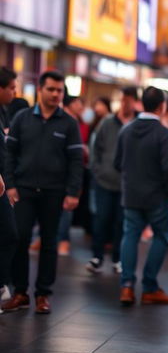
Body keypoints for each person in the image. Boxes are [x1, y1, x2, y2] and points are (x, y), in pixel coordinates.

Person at [1, 71, 83, 315]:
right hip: (23, 190)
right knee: (21, 238)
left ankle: (43, 294)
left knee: (49, 243)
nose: (57, 94)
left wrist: (72, 192)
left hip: (54, 191)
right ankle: (21, 293)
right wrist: (11, 185)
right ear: (41, 90)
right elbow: (9, 154)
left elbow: (76, 160)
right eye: (52, 89)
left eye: (60, 91)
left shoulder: (69, 123)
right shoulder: (22, 118)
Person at [115, 87, 168, 306]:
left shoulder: (126, 130)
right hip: (157, 196)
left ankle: (126, 287)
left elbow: (117, 163)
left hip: (131, 194)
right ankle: (150, 287)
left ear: (142, 103)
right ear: (162, 106)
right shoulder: (164, 134)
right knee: (162, 236)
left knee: (130, 236)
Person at [86, 86, 138, 275]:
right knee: (101, 218)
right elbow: (95, 147)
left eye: (129, 100)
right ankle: (97, 256)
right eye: (123, 100)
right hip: (105, 180)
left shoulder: (136, 123)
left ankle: (118, 258)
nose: (125, 103)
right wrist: (97, 170)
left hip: (127, 183)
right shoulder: (107, 123)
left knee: (121, 222)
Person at [57, 95, 90, 256]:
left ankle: (64, 240)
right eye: (78, 102)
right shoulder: (60, 120)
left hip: (74, 170)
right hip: (56, 171)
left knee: (66, 207)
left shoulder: (82, 124)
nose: (81, 106)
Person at [0, 67, 17, 306]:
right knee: (8, 233)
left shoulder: (3, 112)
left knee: (10, 234)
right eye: (11, 88)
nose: (14, 92)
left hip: (3, 183)